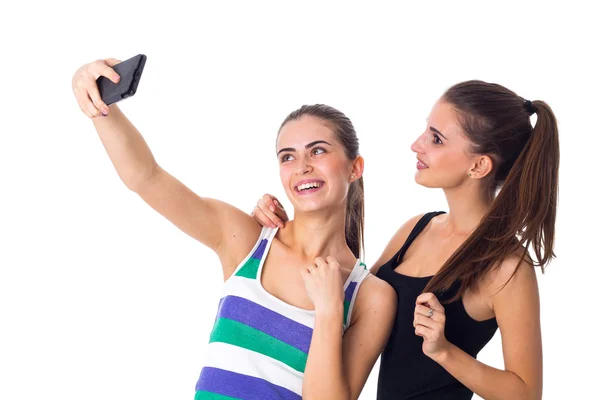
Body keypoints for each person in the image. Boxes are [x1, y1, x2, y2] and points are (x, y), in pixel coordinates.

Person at [71, 58, 397, 400]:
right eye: (287, 157)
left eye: (318, 151)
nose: (302, 167)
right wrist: (99, 106)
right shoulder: (246, 239)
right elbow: (146, 177)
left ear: (354, 168)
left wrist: (330, 309)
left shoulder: (371, 297)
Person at [252, 80, 559, 399]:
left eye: (436, 139)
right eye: (426, 130)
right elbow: (350, 295)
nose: (417, 144)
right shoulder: (416, 229)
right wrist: (289, 228)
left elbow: (526, 392)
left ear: (478, 165)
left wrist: (444, 351)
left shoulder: (506, 265)